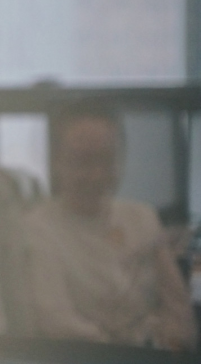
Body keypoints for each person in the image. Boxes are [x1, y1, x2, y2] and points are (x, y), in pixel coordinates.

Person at [21, 101, 196, 350]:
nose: (97, 174)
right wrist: (131, 348)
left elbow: (177, 309)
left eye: (106, 159)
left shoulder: (142, 217)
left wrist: (172, 342)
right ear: (57, 162)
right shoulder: (37, 229)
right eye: (82, 161)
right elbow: (58, 323)